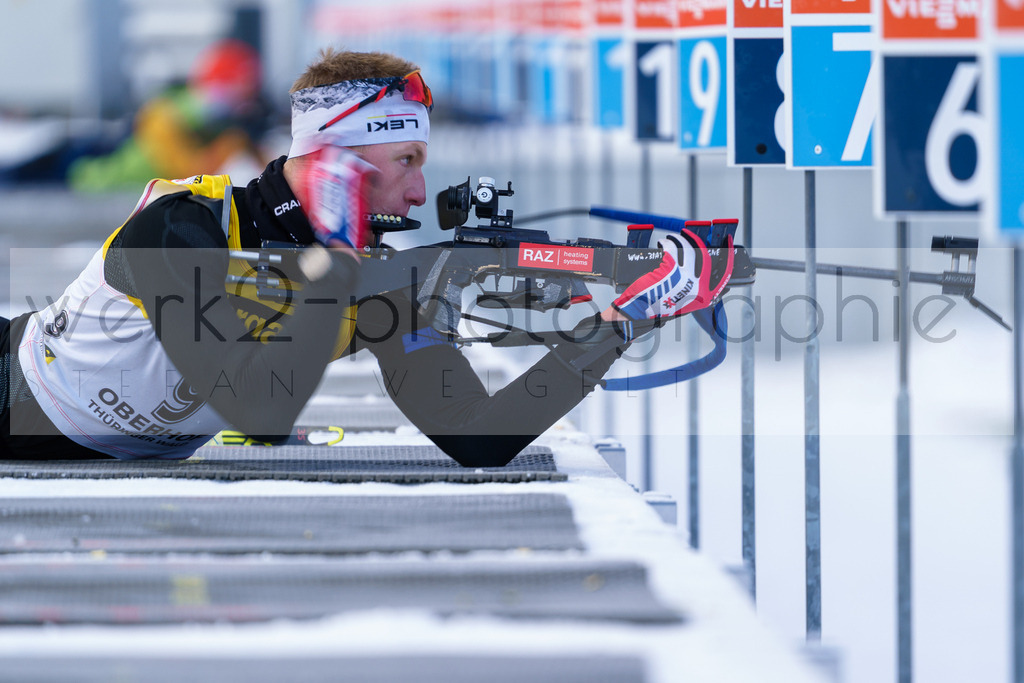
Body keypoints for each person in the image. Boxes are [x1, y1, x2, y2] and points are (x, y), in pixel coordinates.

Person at [1, 48, 730, 464]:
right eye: (406, 160)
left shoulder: (380, 284)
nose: (419, 191)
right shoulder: (182, 227)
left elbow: (478, 437)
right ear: (338, 161)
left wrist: (617, 326)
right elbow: (257, 407)